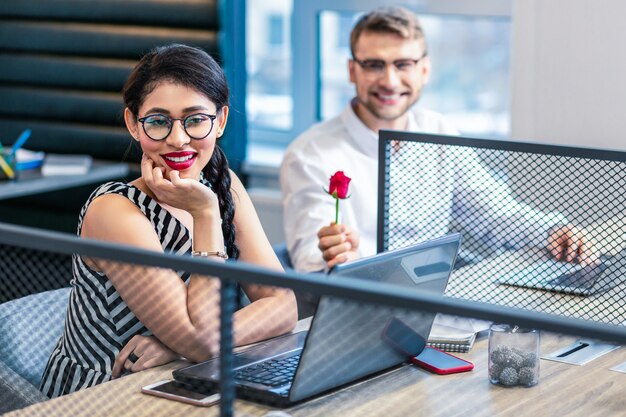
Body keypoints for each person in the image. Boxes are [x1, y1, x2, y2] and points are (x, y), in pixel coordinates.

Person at [40, 44, 297, 398]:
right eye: (159, 121)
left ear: (220, 121)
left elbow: (283, 306)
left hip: (182, 374)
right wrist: (206, 216)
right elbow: (204, 340)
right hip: (101, 394)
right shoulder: (115, 212)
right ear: (133, 123)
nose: (178, 139)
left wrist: (175, 346)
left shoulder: (223, 183)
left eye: (195, 120)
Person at [280, 6, 594, 273]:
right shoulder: (311, 154)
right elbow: (309, 260)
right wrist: (340, 258)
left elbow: (493, 213)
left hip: (433, 305)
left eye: (403, 64)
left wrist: (552, 231)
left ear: (425, 70)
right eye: (374, 65)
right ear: (352, 71)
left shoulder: (437, 132)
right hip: (357, 316)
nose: (389, 81)